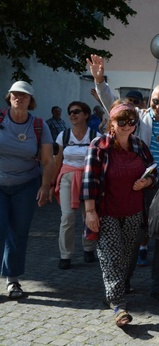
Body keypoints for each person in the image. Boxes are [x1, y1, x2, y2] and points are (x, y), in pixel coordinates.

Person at [87, 53, 159, 301]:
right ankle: (122, 283)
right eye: (155, 101)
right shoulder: (137, 117)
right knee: (132, 238)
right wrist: (100, 80)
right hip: (134, 187)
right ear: (150, 99)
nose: (158, 107)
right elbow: (112, 104)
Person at [81, 102, 157, 327]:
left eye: (131, 121)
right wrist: (90, 212)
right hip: (107, 212)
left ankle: (112, 292)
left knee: (124, 257)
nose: (127, 126)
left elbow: (154, 170)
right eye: (121, 121)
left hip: (133, 212)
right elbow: (89, 181)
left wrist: (147, 181)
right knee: (110, 256)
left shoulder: (139, 145)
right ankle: (118, 305)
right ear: (112, 123)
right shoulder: (99, 145)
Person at [0, 81, 54, 299]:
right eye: (15, 94)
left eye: (24, 95)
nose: (18, 98)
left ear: (31, 101)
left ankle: (12, 281)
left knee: (18, 233)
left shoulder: (39, 126)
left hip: (26, 184)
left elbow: (48, 160)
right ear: (9, 97)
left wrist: (45, 186)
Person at [50, 101, 100, 270]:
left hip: (88, 179)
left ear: (86, 115)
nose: (72, 115)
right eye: (70, 112)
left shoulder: (95, 135)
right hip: (68, 178)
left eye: (76, 112)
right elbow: (57, 162)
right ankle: (65, 255)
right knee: (67, 217)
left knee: (89, 215)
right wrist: (51, 183)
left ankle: (88, 249)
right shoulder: (63, 136)